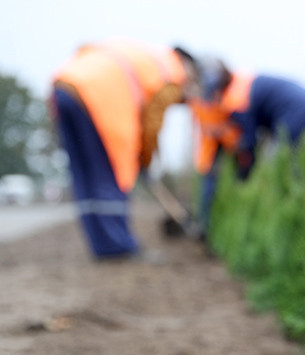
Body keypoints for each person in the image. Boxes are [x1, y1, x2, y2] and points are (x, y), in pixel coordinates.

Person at [51, 38, 198, 260]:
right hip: (98, 100)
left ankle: (102, 246)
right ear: (186, 63)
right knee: (110, 173)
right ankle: (118, 246)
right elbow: (151, 123)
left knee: (85, 175)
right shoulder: (171, 72)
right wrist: (145, 159)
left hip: (64, 86)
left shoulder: (146, 57)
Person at [192, 59, 305, 236]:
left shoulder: (237, 100)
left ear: (218, 87)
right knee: (299, 164)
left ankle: (291, 218)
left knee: (285, 167)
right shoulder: (240, 83)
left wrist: (244, 174)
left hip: (297, 114)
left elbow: (249, 142)